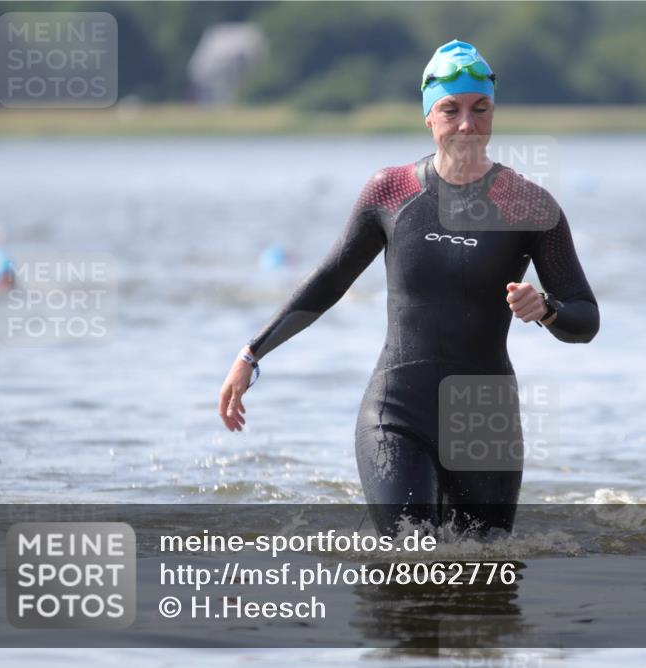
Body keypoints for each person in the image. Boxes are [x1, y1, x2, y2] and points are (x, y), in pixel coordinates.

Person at [218, 40, 599, 534]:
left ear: (493, 112)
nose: (466, 124)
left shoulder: (529, 205)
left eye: (479, 109)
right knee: (405, 560)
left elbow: (585, 319)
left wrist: (546, 307)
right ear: (428, 116)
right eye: (450, 109)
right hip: (397, 410)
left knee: (486, 577)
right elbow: (328, 280)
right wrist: (252, 354)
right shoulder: (391, 190)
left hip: (485, 420)